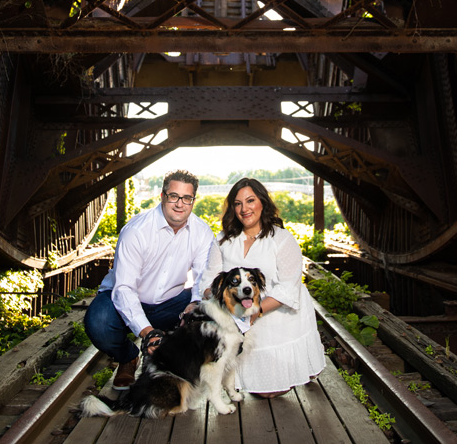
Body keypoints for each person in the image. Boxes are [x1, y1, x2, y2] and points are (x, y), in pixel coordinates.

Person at [84, 170, 215, 389]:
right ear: (163, 196)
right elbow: (124, 288)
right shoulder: (136, 231)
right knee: (98, 324)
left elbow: (203, 278)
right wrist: (147, 332)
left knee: (205, 312)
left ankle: (169, 364)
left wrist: (194, 304)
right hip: (122, 297)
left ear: (193, 201)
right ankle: (128, 357)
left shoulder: (202, 232)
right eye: (174, 196)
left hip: (171, 302)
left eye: (187, 198)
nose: (179, 204)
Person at [202, 177, 326, 398]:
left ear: (262, 202)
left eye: (250, 201)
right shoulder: (222, 240)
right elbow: (209, 280)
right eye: (237, 203)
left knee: (267, 393)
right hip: (234, 314)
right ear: (232, 208)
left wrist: (255, 313)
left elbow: (288, 287)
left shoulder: (282, 239)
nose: (244, 208)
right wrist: (225, 307)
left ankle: (294, 366)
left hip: (275, 312)